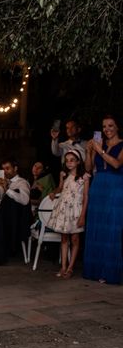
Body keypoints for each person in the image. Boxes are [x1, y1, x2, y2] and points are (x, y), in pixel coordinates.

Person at [83, 115, 123, 284]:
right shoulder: (100, 144)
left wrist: (100, 150)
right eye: (104, 126)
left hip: (115, 186)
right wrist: (89, 151)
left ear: (117, 127)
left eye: (110, 126)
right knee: (96, 227)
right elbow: (89, 168)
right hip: (98, 186)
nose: (107, 129)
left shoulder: (122, 145)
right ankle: (95, 269)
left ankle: (110, 272)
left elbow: (116, 164)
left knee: (112, 228)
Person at [48, 150, 89, 279]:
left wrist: (83, 215)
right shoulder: (64, 175)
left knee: (75, 239)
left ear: (78, 162)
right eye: (67, 160)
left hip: (76, 210)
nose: (69, 163)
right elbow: (60, 188)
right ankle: (63, 266)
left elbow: (85, 197)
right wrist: (54, 192)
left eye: (72, 160)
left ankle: (71, 267)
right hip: (64, 209)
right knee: (64, 238)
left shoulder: (85, 177)